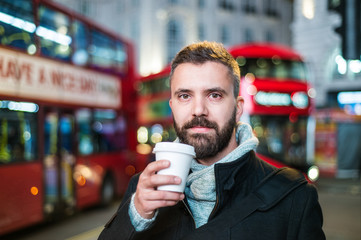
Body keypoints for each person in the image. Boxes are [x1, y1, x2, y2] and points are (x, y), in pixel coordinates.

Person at [98, 41, 325, 240]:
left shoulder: (295, 196)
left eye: (214, 95)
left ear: (237, 110)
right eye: (185, 96)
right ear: (173, 107)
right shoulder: (143, 188)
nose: (198, 110)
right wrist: (137, 215)